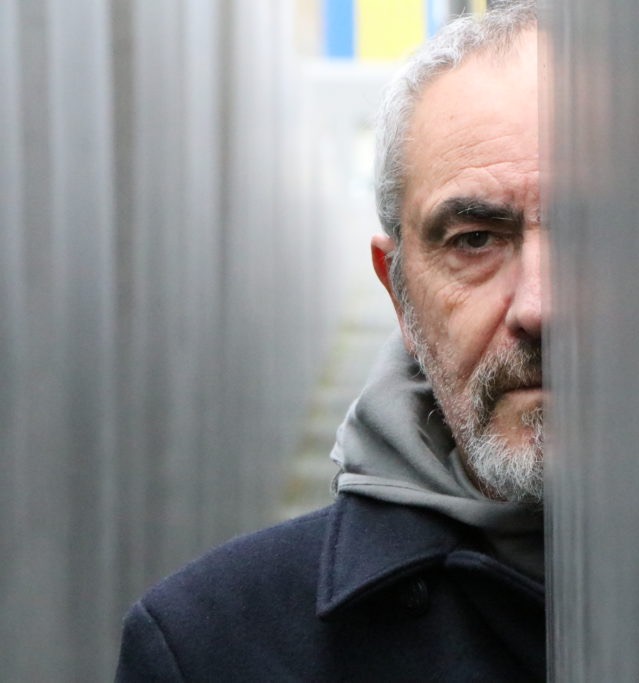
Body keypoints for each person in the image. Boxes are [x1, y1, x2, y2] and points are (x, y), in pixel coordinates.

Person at [115, 2, 545, 680]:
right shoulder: (212, 651)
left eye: (594, 233)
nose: (539, 306)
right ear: (399, 294)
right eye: (474, 240)